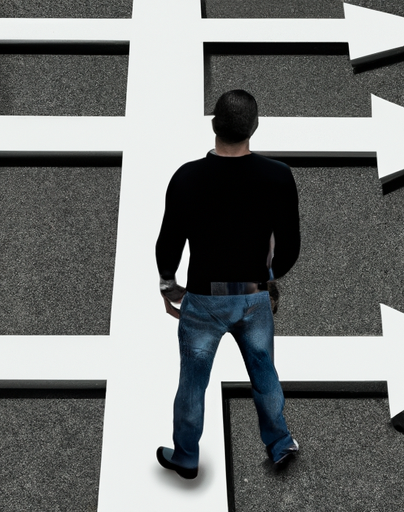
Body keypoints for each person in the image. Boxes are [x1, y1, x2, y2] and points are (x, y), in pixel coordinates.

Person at [155, 90, 300, 479]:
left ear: (215, 124)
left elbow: (169, 241)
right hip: (253, 297)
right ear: (254, 127)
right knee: (264, 371)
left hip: (203, 299)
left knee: (192, 381)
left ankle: (186, 456)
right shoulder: (278, 176)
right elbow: (290, 246)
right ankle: (280, 442)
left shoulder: (187, 177)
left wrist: (169, 286)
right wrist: (270, 278)